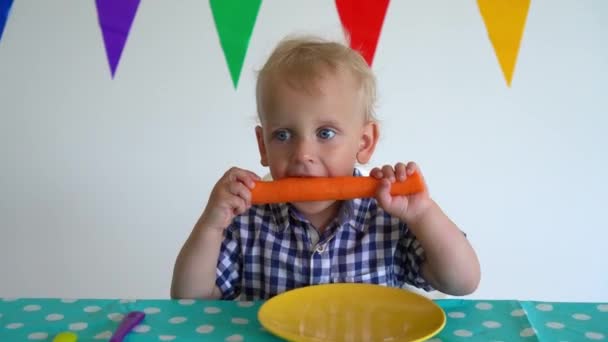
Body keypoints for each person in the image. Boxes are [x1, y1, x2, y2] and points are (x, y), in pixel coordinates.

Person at [171, 35, 480, 300]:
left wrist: (423, 214)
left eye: (326, 133)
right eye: (283, 135)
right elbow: (189, 300)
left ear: (364, 142)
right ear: (263, 146)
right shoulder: (247, 219)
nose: (303, 153)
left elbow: (462, 282)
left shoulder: (389, 217)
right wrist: (211, 225)